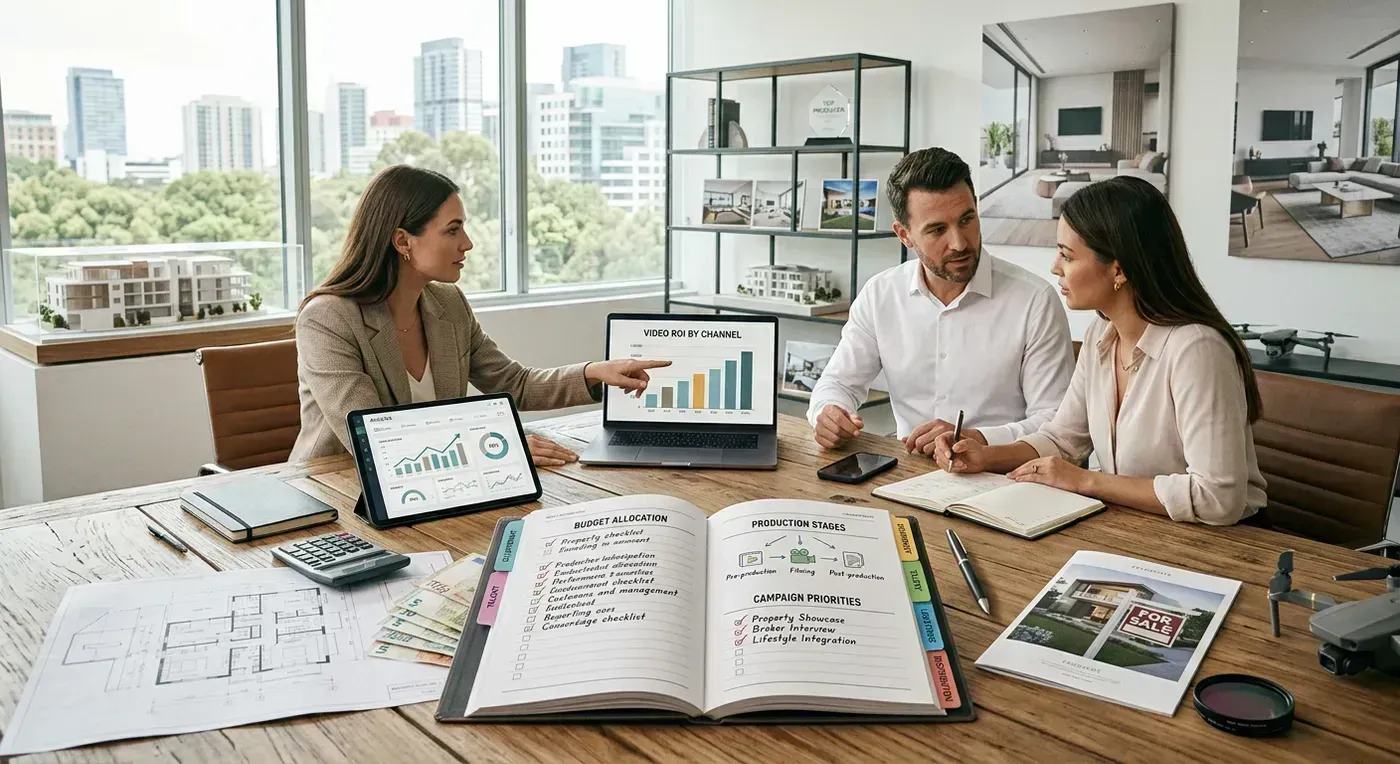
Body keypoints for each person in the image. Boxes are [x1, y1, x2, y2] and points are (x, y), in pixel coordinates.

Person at [934, 176, 1267, 525]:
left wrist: (1086, 481)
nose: (1055, 267)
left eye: (1066, 255)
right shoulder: (1100, 336)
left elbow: (1217, 498)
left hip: (1225, 542)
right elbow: (1063, 438)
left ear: (1118, 269)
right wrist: (985, 457)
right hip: (1136, 527)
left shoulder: (1196, 350)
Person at [290, 165, 668, 466]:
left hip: (437, 485)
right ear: (403, 240)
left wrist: (593, 374)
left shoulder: (448, 304)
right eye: (452, 230)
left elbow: (514, 383)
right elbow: (372, 438)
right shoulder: (328, 319)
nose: (467, 243)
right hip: (337, 495)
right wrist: (493, 446)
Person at [808, 147, 1074, 455]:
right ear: (904, 235)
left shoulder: (1035, 301)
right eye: (937, 230)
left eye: (966, 220)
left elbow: (1057, 423)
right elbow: (837, 384)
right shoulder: (880, 295)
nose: (960, 243)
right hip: (907, 476)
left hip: (1005, 478)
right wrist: (828, 413)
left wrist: (982, 439)